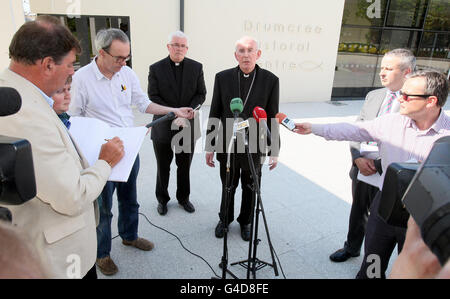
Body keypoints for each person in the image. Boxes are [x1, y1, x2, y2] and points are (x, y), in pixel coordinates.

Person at [0, 17, 124, 278]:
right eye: (69, 65)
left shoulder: (12, 93)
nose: (72, 72)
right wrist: (105, 162)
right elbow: (72, 197)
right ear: (47, 65)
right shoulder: (25, 113)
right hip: (61, 261)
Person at [294, 70, 450, 278]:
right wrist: (313, 127)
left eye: (406, 96)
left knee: (414, 271)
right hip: (384, 206)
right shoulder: (391, 122)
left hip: (422, 218)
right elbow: (352, 129)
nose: (399, 99)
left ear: (431, 101)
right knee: (372, 264)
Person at [69, 28, 194, 276]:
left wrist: (174, 110)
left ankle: (129, 236)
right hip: (100, 154)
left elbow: (143, 103)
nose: (123, 63)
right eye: (118, 58)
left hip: (128, 148)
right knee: (103, 208)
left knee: (129, 198)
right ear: (101, 53)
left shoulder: (126, 73)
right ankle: (102, 254)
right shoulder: (82, 78)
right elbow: (74, 119)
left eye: (126, 57)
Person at [330, 49, 416, 263]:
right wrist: (357, 156)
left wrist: (377, 164)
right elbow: (357, 128)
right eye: (382, 68)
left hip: (393, 173)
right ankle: (351, 247)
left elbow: (412, 143)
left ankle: (382, 263)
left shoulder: (415, 102)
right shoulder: (374, 95)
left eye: (389, 68)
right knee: (358, 210)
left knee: (387, 222)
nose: (382, 73)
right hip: (361, 167)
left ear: (407, 71)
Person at [205, 36, 279, 241]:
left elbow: (272, 116)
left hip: (255, 142)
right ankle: (225, 218)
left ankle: (245, 221)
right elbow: (214, 112)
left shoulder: (271, 80)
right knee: (228, 184)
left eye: (250, 50)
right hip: (227, 141)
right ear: (235, 55)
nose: (246, 55)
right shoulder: (222, 78)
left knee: (250, 186)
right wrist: (210, 146)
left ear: (258, 54)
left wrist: (274, 150)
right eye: (241, 51)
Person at [148, 31, 206, 216]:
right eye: (175, 44)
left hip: (187, 124)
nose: (179, 48)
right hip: (163, 124)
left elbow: (201, 94)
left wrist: (186, 112)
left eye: (183, 46)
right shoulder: (155, 68)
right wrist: (175, 114)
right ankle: (162, 200)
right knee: (163, 166)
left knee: (184, 166)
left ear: (187, 48)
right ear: (168, 46)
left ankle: (183, 198)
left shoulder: (197, 67)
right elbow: (153, 96)